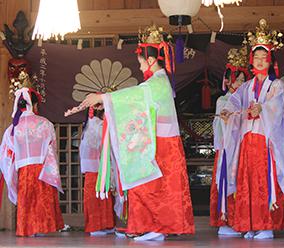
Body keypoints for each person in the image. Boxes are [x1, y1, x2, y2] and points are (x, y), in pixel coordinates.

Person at [73, 25, 195, 241]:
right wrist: (107, 105)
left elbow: (137, 95)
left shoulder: (157, 83)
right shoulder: (155, 82)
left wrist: (103, 98)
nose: (140, 68)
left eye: (140, 63)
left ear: (150, 61)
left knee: (155, 186)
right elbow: (137, 101)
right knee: (147, 184)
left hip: (162, 144)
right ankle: (149, 225)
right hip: (157, 142)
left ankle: (158, 226)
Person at [220, 19, 284, 239]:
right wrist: (228, 111)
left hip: (265, 141)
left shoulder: (276, 85)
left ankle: (266, 225)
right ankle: (251, 224)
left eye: (264, 58)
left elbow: (276, 107)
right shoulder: (246, 86)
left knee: (263, 181)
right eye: (257, 58)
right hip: (247, 140)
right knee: (247, 182)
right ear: (252, 60)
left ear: (270, 61)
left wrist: (262, 107)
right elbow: (234, 102)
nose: (260, 62)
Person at [0, 73, 64, 237]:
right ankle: (42, 228)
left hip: (24, 171)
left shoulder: (12, 129)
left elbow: (6, 155)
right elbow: (52, 149)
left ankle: (27, 228)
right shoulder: (46, 124)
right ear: (34, 105)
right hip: (43, 169)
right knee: (41, 199)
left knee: (27, 199)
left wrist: (12, 173)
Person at [210, 46, 250, 236]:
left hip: (240, 148)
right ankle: (225, 221)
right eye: (237, 80)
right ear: (228, 81)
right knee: (226, 182)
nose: (241, 84)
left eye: (243, 80)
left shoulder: (246, 101)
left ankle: (239, 221)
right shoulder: (222, 100)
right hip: (226, 149)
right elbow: (219, 129)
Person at [79, 107, 115, 236]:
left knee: (103, 196)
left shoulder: (91, 125)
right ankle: (96, 226)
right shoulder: (96, 125)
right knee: (97, 197)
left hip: (98, 167)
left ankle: (104, 225)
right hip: (97, 167)